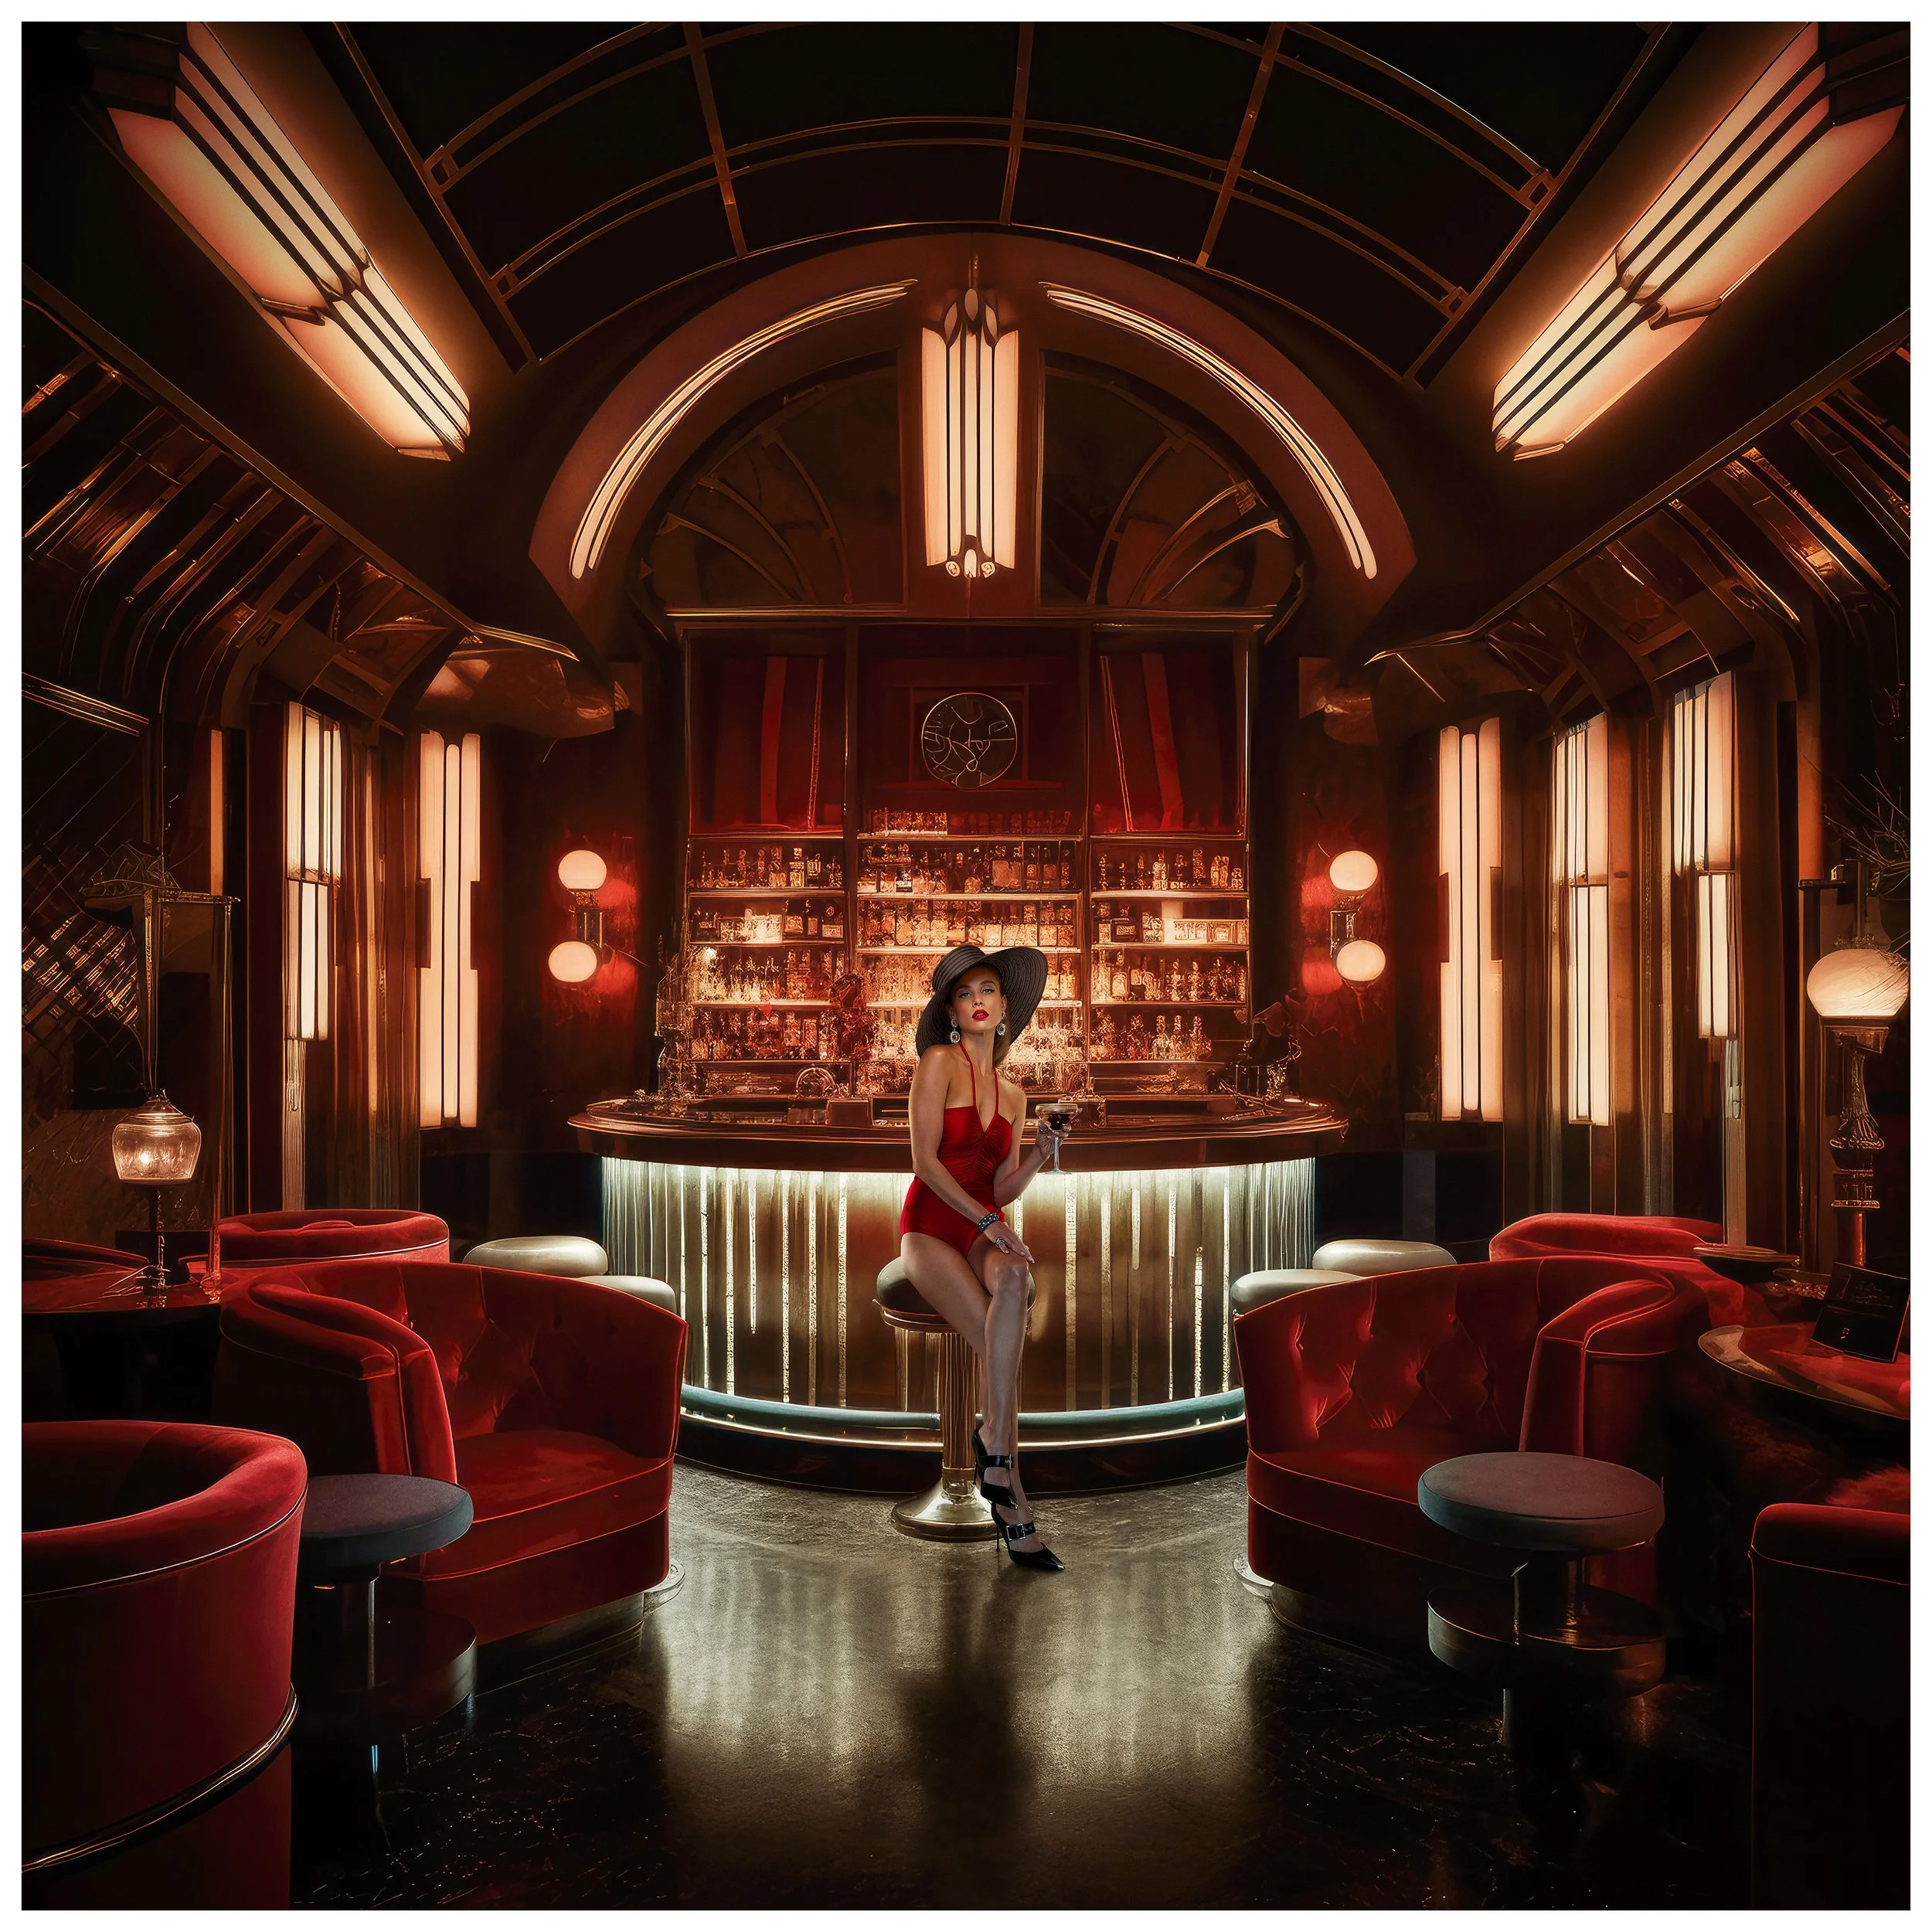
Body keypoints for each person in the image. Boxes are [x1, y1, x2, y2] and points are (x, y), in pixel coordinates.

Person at [900, 944, 1070, 1570]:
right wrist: (991, 1223)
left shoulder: (1017, 1095)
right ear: (951, 1009)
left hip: (982, 1227)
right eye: (965, 992)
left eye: (988, 991)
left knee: (1017, 1282)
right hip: (931, 1226)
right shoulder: (937, 1063)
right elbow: (924, 1164)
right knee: (1004, 1345)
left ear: (1005, 1009)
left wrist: (1037, 1156)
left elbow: (997, 1185)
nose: (978, 1001)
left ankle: (995, 1453)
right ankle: (1010, 1493)